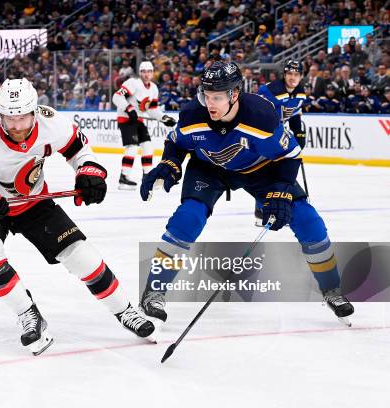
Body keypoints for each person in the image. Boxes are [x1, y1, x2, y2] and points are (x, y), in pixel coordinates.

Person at [0, 78, 156, 355]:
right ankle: (28, 314)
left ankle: (125, 310)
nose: (16, 126)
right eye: (9, 118)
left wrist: (89, 172)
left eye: (22, 117)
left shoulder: (51, 123)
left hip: (34, 202)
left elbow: (79, 150)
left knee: (82, 256)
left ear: (34, 111)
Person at [138, 61, 354, 326]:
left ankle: (332, 289)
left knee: (308, 220)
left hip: (259, 169)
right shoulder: (194, 113)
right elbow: (175, 141)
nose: (210, 104)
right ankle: (154, 290)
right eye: (206, 96)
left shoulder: (261, 116)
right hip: (209, 168)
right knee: (188, 218)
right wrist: (169, 164)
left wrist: (281, 188)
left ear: (235, 94)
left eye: (217, 97)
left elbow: (290, 154)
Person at [256, 60, 309, 225]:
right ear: (284, 74)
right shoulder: (271, 90)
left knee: (280, 170)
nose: (293, 77)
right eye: (290, 74)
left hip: (277, 134)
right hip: (261, 133)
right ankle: (263, 209)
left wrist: (298, 132)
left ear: (301, 76)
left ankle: (264, 209)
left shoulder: (300, 93)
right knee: (266, 171)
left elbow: (294, 114)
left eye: (296, 74)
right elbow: (258, 113)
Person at [112, 61, 176, 190]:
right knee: (132, 147)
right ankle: (123, 178)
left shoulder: (153, 88)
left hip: (138, 120)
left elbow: (152, 110)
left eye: (149, 71)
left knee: (148, 147)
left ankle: (147, 177)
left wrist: (164, 118)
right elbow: (116, 97)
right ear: (140, 73)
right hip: (126, 119)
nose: (146, 74)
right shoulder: (133, 83)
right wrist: (129, 108)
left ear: (152, 73)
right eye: (144, 71)